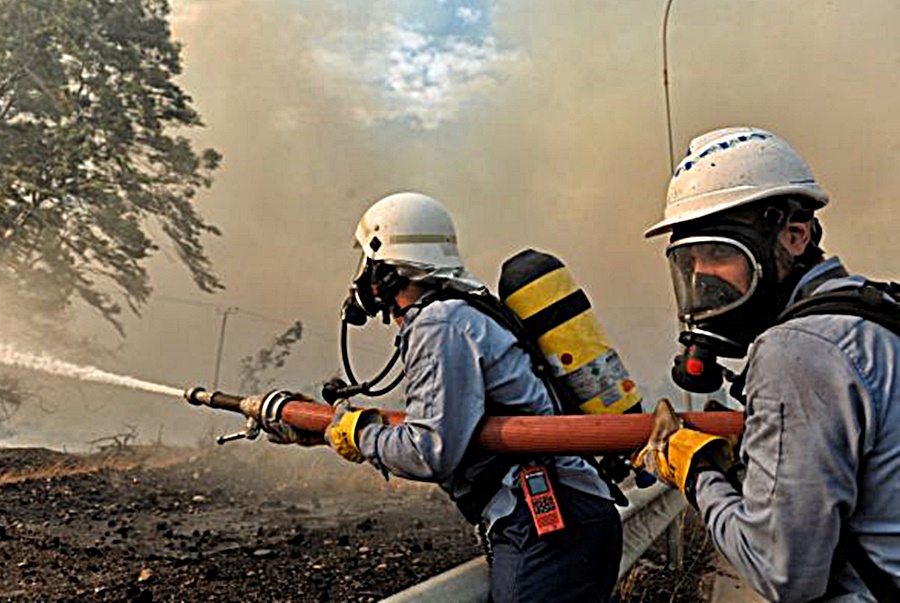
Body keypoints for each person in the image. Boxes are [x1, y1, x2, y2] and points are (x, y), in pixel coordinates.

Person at [635, 127, 900, 601]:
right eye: (690, 260)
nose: (701, 276)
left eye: (718, 252)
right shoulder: (875, 314)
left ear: (795, 235)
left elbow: (783, 575)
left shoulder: (796, 350)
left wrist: (697, 473)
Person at [323, 191, 622, 602]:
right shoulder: (463, 310)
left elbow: (429, 449)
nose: (363, 281)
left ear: (387, 270)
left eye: (368, 265)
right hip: (561, 516)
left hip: (549, 524)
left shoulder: (438, 323)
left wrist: (360, 436)